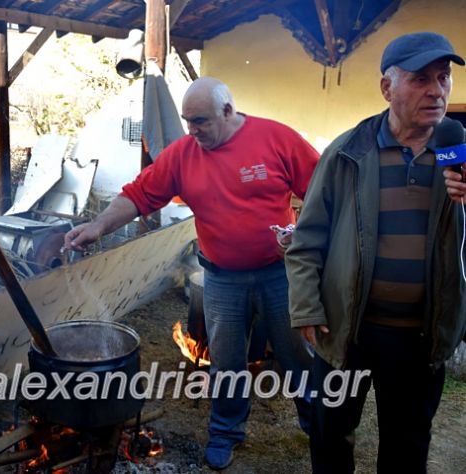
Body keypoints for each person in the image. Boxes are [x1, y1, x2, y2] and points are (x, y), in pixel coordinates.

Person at [65, 76, 319, 469]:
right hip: (221, 278)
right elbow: (139, 194)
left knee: (296, 353)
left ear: (228, 111)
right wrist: (97, 226)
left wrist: (304, 233)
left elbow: (322, 191)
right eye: (187, 121)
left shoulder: (276, 139)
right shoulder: (184, 154)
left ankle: (318, 424)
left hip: (279, 273)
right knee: (227, 360)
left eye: (200, 120)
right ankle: (225, 431)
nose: (193, 130)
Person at [285, 32, 466, 474]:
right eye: (421, 78)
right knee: (330, 434)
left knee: (408, 444)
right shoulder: (348, 152)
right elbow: (306, 239)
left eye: (443, 78)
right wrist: (306, 308)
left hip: (421, 339)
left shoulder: (456, 152)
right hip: (350, 330)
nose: (437, 90)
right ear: (387, 88)